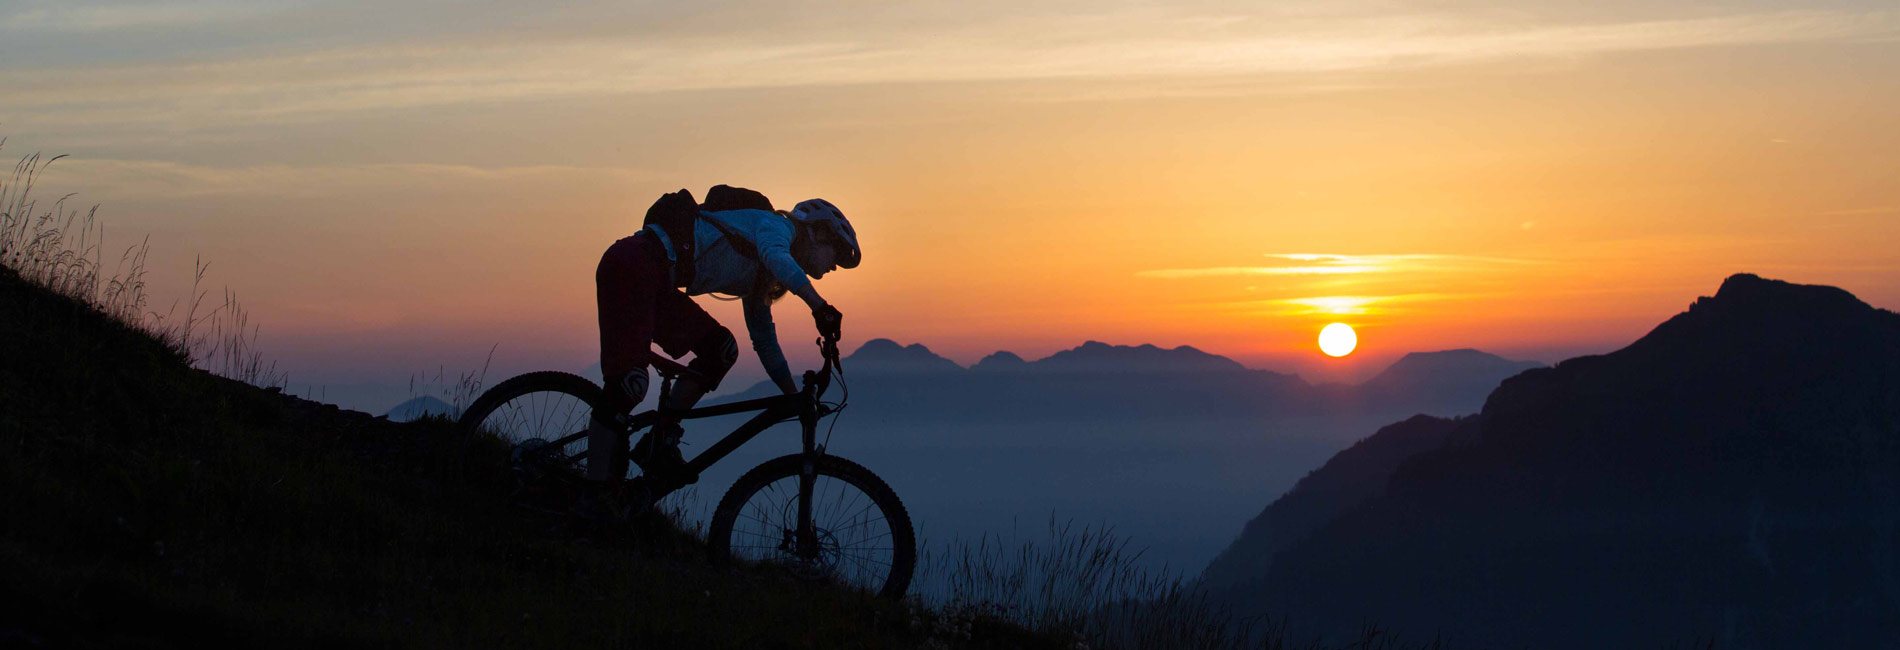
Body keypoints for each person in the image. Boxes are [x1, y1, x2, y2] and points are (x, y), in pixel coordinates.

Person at [589, 188, 859, 489]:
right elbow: (776, 254)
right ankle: (594, 493)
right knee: (630, 384)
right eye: (835, 253)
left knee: (721, 349)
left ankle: (660, 438)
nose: (833, 266)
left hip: (658, 282)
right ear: (818, 233)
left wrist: (792, 397)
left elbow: (765, 341)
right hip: (632, 264)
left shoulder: (763, 274)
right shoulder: (776, 226)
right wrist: (819, 307)